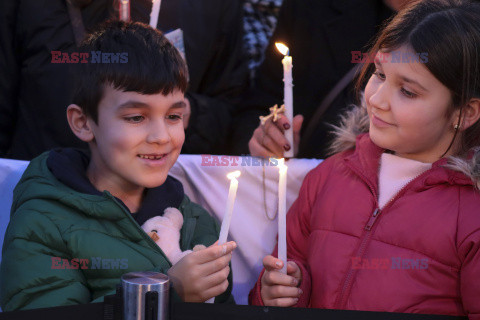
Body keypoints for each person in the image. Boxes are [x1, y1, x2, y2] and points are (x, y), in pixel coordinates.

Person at [249, 0, 480, 316]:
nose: (377, 99)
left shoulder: (471, 213)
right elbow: (283, 275)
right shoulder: (328, 177)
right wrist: (278, 291)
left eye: (408, 92)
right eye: (380, 74)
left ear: (464, 112)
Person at [0, 20, 236, 311]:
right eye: (136, 117)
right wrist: (168, 293)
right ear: (83, 122)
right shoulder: (42, 226)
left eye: (174, 116)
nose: (161, 137)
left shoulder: (198, 223)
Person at [0, 0, 247, 160]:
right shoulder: (29, 8)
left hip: (165, 207)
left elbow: (235, 117)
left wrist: (177, 112)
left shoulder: (214, 7)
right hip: (43, 192)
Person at [231, 0, 404, 158]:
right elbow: (262, 103)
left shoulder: (430, 28)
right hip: (305, 182)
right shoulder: (312, 8)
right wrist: (267, 139)